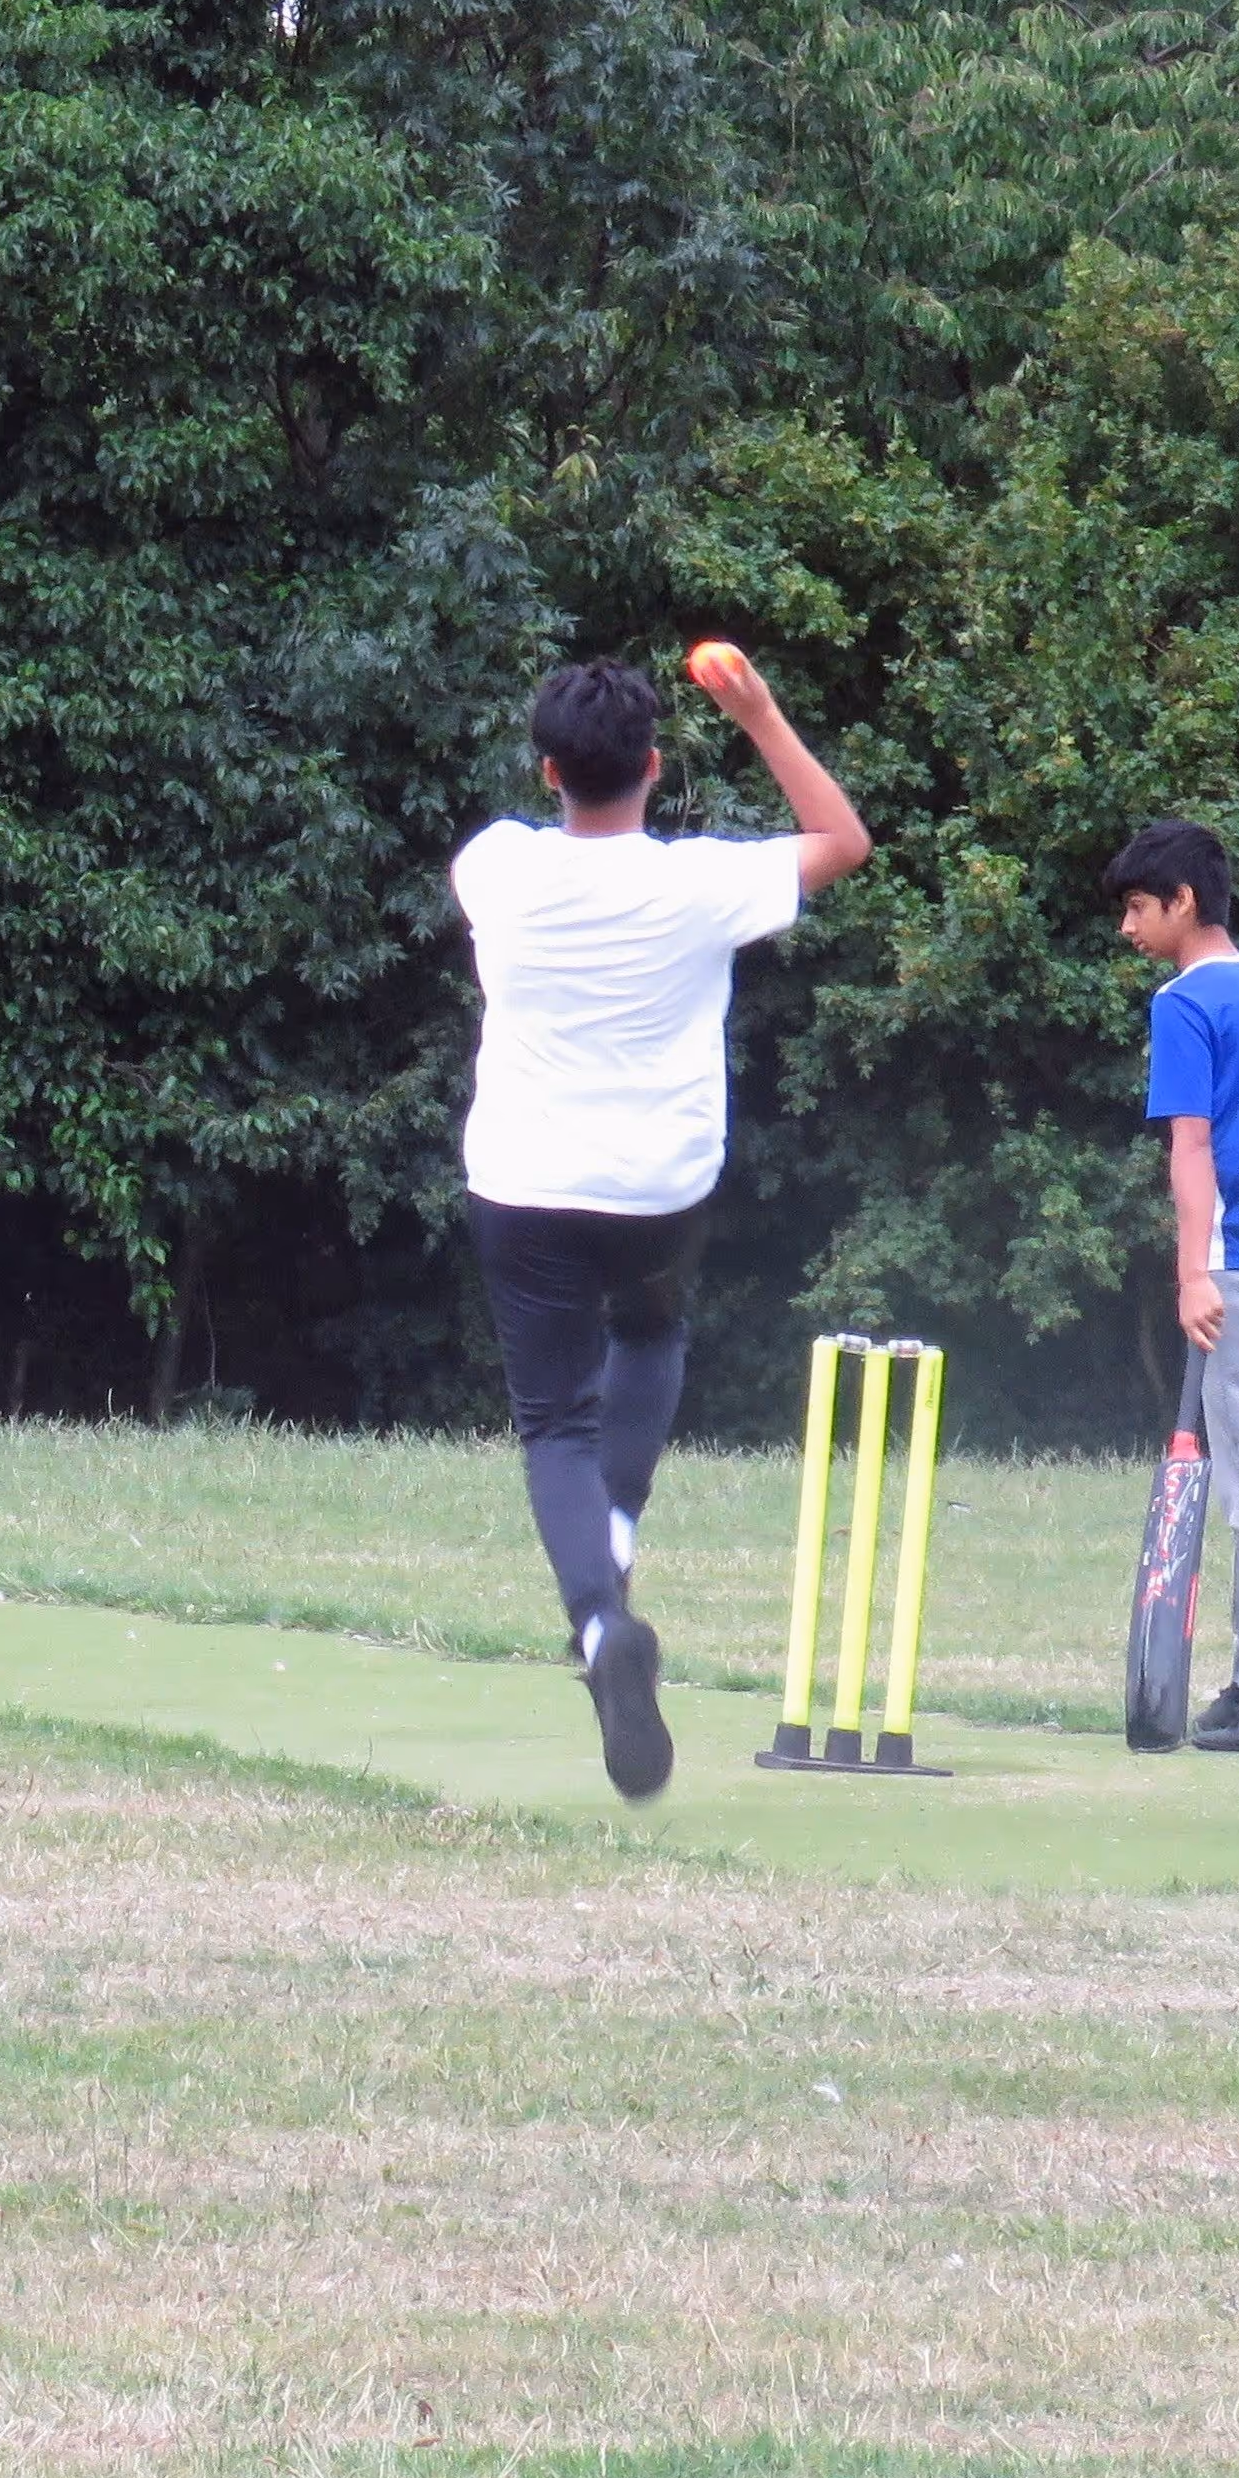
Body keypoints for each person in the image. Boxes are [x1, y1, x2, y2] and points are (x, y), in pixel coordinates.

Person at [453, 648, 869, 1800]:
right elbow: (843, 844)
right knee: (648, 1339)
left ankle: (599, 1623)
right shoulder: (700, 883)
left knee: (551, 1423)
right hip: (657, 1187)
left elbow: (525, 852)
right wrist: (762, 713)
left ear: (547, 771)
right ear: (653, 763)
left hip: (525, 1180)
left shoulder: (495, 864)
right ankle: (620, 1537)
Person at [1103, 820, 1239, 1759]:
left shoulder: (1183, 1000)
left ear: (1182, 903)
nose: (1126, 928)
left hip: (1237, 1262)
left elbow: (1190, 1147)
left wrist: (1192, 1270)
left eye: (1136, 906)